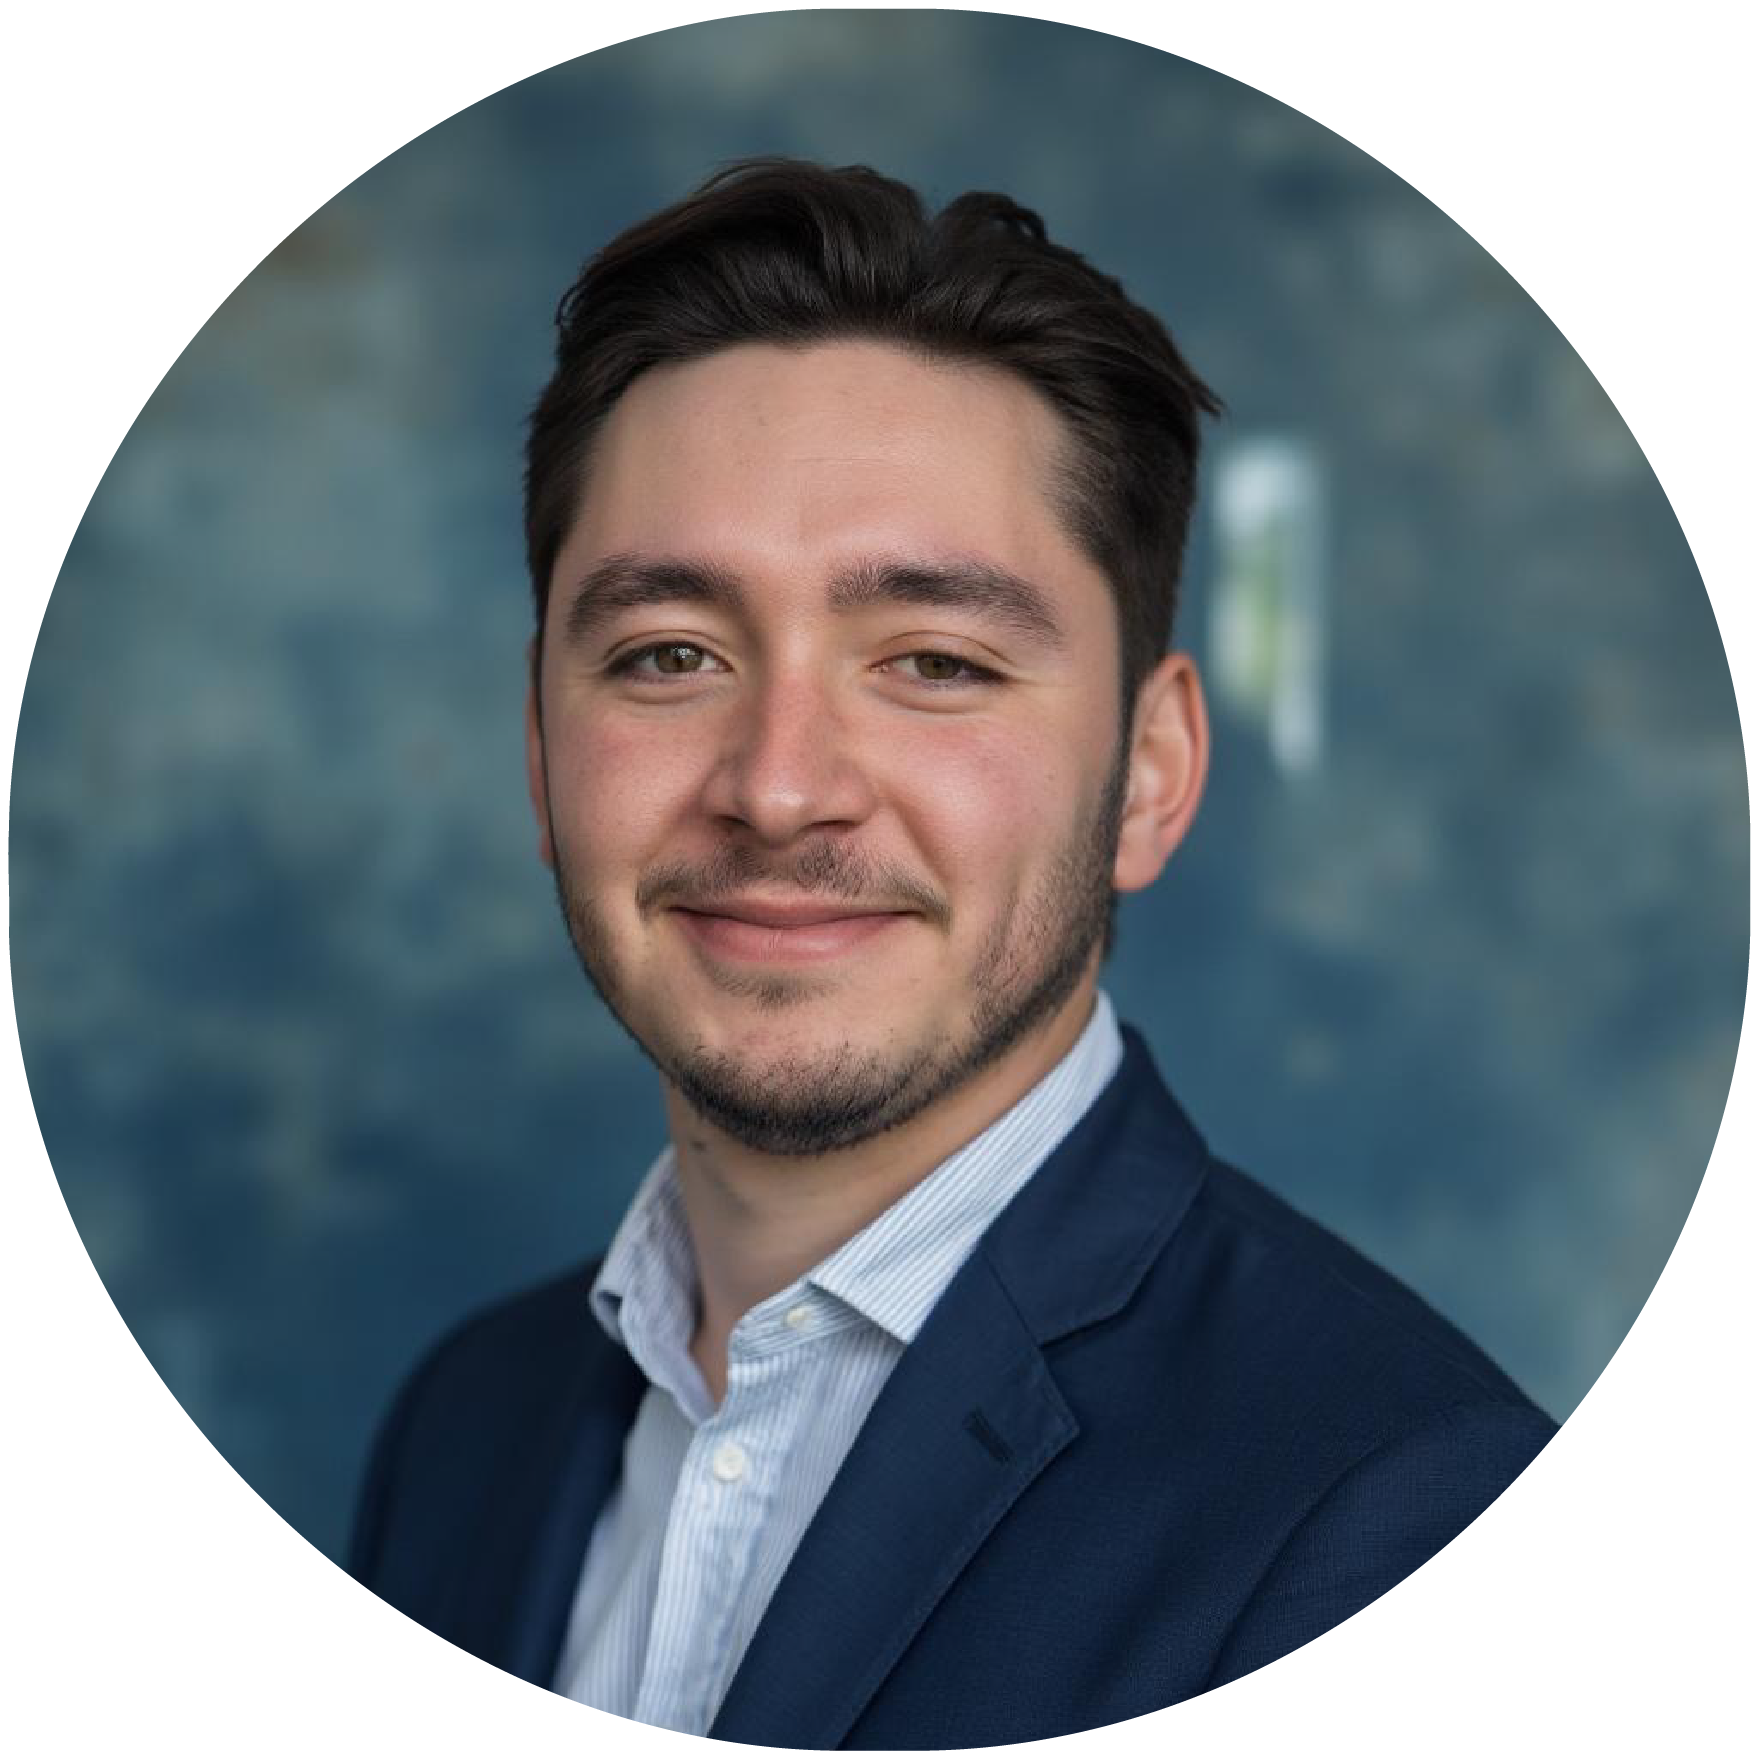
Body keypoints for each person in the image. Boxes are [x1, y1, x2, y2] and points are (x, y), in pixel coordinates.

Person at [348, 158, 1555, 1748]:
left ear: (1148, 773)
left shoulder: (1406, 1522)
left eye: (932, 661)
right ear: (539, 750)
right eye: (669, 654)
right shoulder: (465, 1424)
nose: (779, 785)